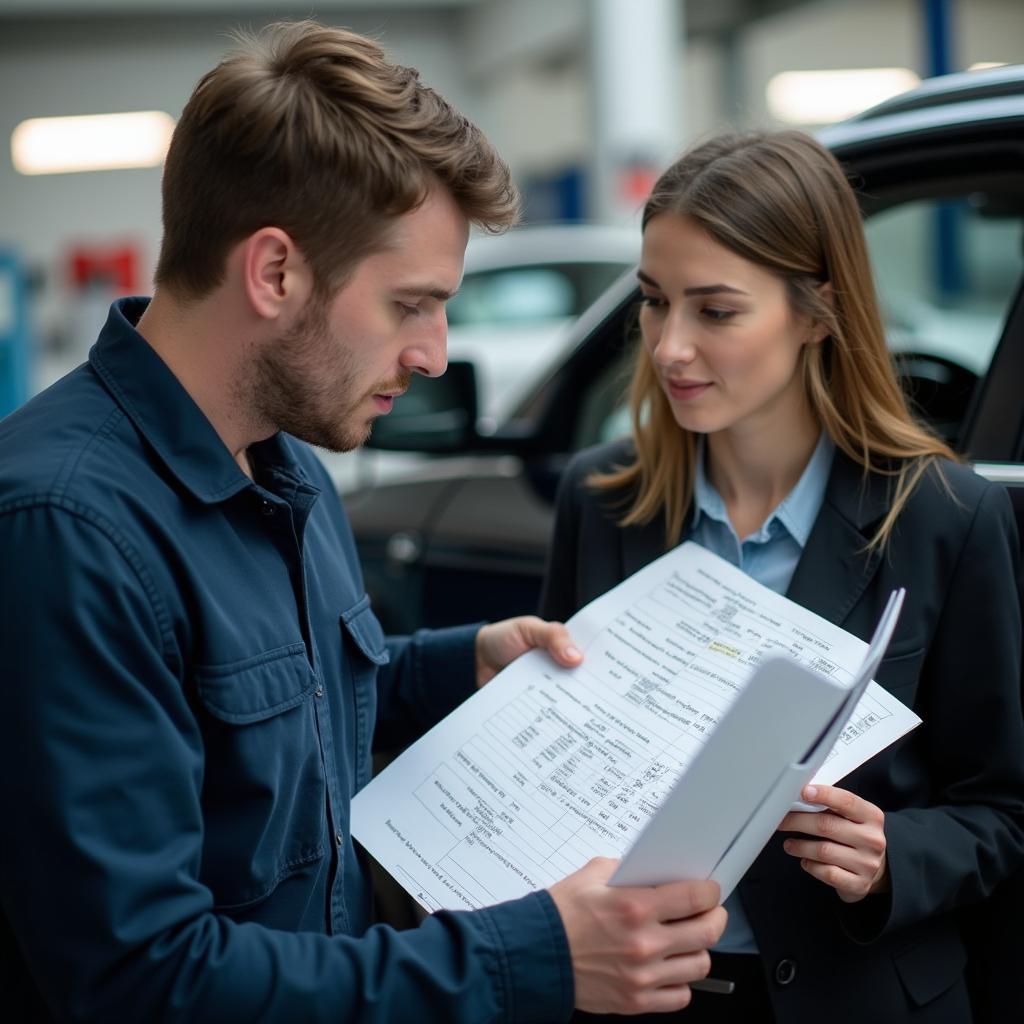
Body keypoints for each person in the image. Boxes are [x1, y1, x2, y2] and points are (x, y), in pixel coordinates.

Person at [0, 21, 728, 1023]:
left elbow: (264, 705)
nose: (433, 353)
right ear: (274, 273)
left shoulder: (284, 461)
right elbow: (144, 979)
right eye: (410, 306)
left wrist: (449, 665)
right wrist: (534, 958)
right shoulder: (65, 532)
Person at [540, 130, 1024, 1024]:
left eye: (715, 312)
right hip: (639, 996)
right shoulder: (601, 502)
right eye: (653, 303)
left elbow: (1001, 807)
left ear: (817, 312)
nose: (670, 348)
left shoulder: (945, 520)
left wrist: (892, 856)